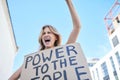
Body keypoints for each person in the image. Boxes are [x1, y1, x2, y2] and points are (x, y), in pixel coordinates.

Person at [9, 0, 81, 80]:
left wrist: (68, 2)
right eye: (44, 33)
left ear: (56, 37)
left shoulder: (64, 52)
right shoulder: (34, 60)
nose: (46, 34)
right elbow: (15, 75)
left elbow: (77, 27)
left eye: (49, 32)